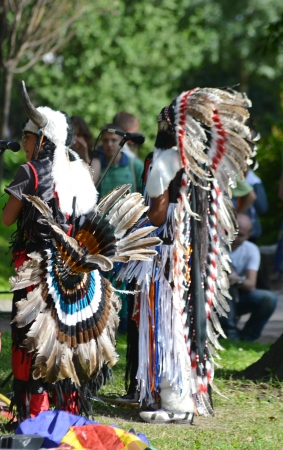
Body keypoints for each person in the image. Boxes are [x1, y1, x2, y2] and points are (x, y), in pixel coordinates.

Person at [1, 81, 160, 421]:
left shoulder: (30, 171)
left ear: (41, 138)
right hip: (77, 274)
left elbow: (6, 219)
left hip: (37, 272)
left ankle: (36, 415)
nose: (24, 144)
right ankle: (69, 411)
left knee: (34, 341)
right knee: (69, 341)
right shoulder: (80, 170)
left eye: (27, 138)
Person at [117, 87, 254, 424]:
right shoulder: (197, 162)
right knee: (187, 322)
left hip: (165, 258)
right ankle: (183, 395)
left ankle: (174, 401)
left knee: (165, 325)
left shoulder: (163, 161)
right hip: (190, 256)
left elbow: (158, 214)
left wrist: (125, 224)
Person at [221, 214, 277, 341]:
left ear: (248, 235)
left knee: (269, 298)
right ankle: (229, 335)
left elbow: (251, 285)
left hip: (238, 296)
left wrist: (236, 279)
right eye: (232, 232)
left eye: (240, 235)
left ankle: (247, 338)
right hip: (214, 298)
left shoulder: (251, 250)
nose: (235, 238)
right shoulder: (215, 244)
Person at [91, 124, 144, 196]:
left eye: (114, 140)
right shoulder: (96, 166)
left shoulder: (135, 165)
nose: (109, 144)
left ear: (122, 141)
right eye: (105, 140)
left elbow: (143, 195)